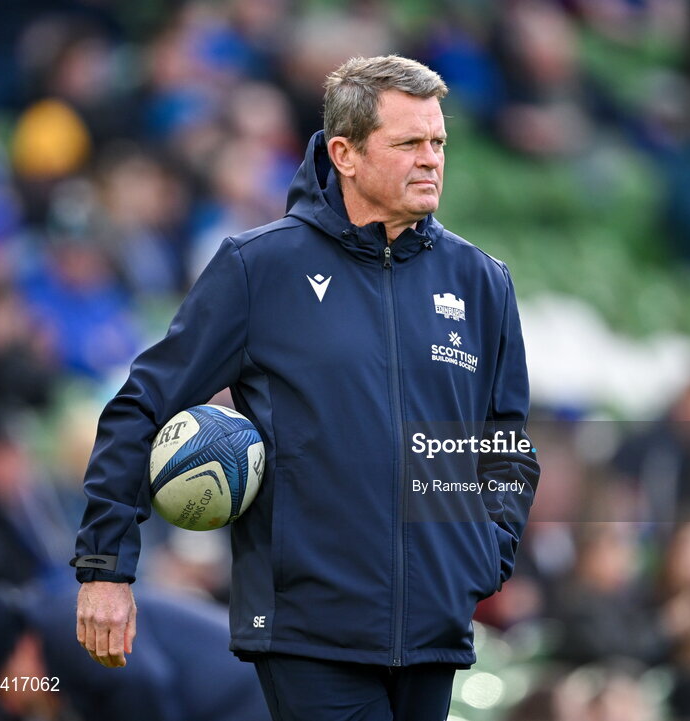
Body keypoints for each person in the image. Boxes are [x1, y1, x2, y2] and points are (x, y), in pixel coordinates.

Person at [72, 55, 540, 721]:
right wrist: (105, 566)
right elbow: (140, 406)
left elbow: (507, 439)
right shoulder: (258, 268)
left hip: (437, 630)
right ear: (345, 153)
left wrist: (483, 555)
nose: (431, 159)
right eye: (409, 142)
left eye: (438, 142)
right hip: (309, 629)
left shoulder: (481, 280)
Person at [0, 586, 271, 721]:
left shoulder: (67, 631)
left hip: (241, 697)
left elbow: (141, 682)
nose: (11, 705)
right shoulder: (58, 622)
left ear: (20, 650)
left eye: (6, 686)